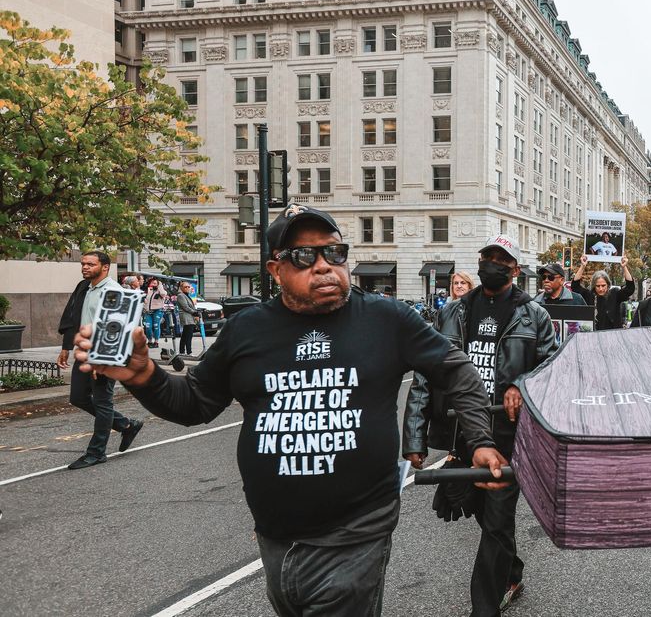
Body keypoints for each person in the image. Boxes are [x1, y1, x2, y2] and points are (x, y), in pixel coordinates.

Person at [73, 204, 508, 616]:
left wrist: (479, 441)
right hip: (275, 536)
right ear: (275, 269)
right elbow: (196, 404)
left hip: (357, 533)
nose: (324, 265)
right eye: (303, 256)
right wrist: (146, 375)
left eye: (334, 252)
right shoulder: (247, 328)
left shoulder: (387, 318)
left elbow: (456, 372)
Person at [431, 234, 558, 616]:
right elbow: (429, 372)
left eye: (501, 259)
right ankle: (514, 571)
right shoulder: (454, 312)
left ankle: (484, 607)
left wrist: (520, 384)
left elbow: (552, 367)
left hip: (512, 435)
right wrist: (417, 437)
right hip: (466, 432)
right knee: (485, 514)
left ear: (515, 270)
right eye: (487, 256)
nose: (492, 263)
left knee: (498, 518)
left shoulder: (533, 314)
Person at [56, 251, 144, 470]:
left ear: (105, 267)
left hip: (106, 355)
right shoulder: (83, 287)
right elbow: (72, 317)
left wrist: (102, 360)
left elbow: (118, 330)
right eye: (83, 263)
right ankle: (126, 424)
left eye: (90, 264)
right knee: (78, 397)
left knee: (103, 401)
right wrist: (66, 347)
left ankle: (96, 453)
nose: (85, 267)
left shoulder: (114, 291)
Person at [570, 254, 635, 330]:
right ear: (594, 285)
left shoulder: (615, 294)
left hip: (613, 335)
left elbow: (630, 289)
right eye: (598, 286)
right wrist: (583, 266)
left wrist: (624, 267)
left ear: (608, 284)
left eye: (603, 285)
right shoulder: (589, 295)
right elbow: (575, 286)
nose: (601, 289)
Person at [174, 281, 199, 356]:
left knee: (185, 335)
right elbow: (185, 307)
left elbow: (190, 306)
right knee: (188, 335)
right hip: (186, 317)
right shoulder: (181, 295)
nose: (187, 288)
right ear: (181, 288)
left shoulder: (187, 295)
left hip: (190, 317)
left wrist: (195, 313)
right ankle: (189, 352)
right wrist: (194, 312)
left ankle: (182, 351)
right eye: (185, 287)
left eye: (188, 287)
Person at [143, 277, 167, 344]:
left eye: (155, 283)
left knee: (156, 326)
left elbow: (163, 294)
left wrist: (160, 285)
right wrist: (144, 307)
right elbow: (147, 301)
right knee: (148, 326)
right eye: (152, 283)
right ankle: (150, 341)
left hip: (158, 311)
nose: (153, 284)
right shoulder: (149, 292)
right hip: (148, 311)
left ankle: (156, 341)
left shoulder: (162, 292)